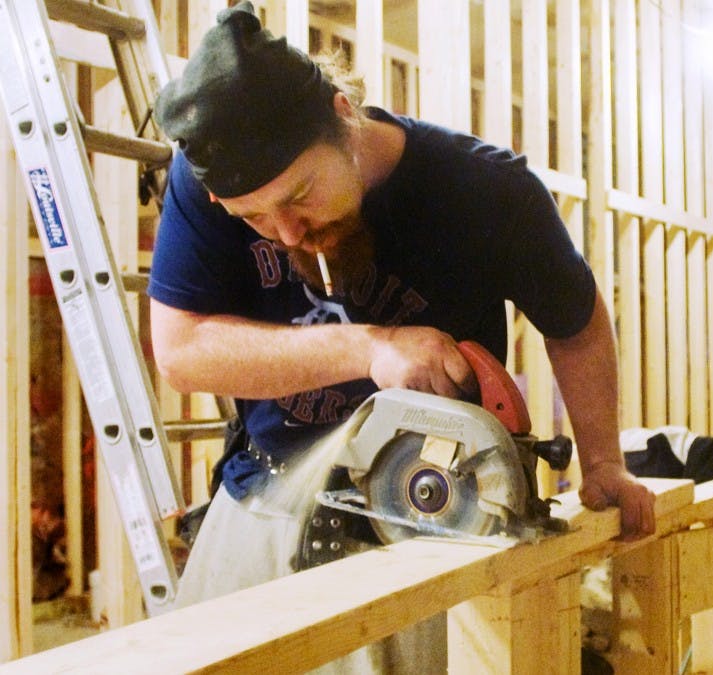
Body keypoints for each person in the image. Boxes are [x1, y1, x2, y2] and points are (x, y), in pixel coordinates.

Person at [148, 1, 654, 669]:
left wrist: (603, 462)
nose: (289, 232)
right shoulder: (207, 175)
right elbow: (181, 350)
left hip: (438, 524)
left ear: (342, 115)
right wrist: (370, 345)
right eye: (255, 218)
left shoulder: (485, 190)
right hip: (269, 493)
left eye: (301, 194)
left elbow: (578, 325)